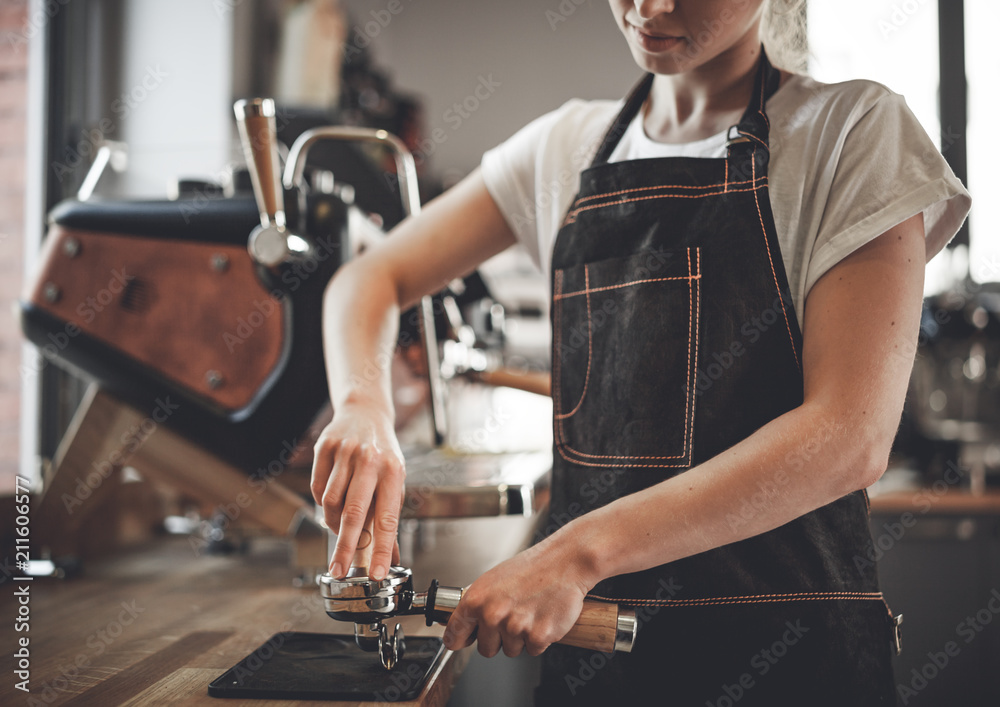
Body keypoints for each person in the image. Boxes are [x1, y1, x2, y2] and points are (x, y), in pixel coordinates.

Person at [310, 0, 971, 703]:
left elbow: (848, 436)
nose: (651, 6)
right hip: (600, 666)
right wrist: (361, 404)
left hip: (797, 664)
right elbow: (370, 277)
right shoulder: (564, 147)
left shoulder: (855, 134)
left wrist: (574, 553)